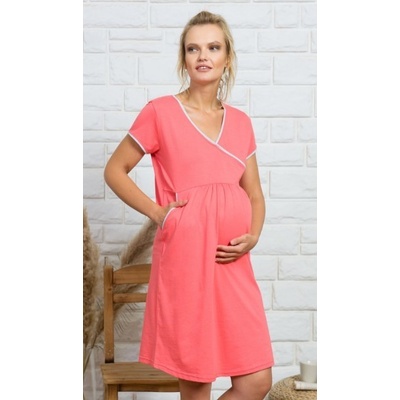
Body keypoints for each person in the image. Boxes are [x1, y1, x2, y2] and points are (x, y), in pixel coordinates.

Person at [104, 10, 274, 400]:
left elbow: (254, 193)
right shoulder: (160, 112)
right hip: (186, 258)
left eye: (213, 47)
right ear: (183, 58)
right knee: (197, 383)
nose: (203, 56)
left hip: (232, 260)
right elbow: (115, 170)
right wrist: (158, 213)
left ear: (227, 57)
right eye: (193, 48)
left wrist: (253, 236)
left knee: (256, 381)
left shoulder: (241, 122)